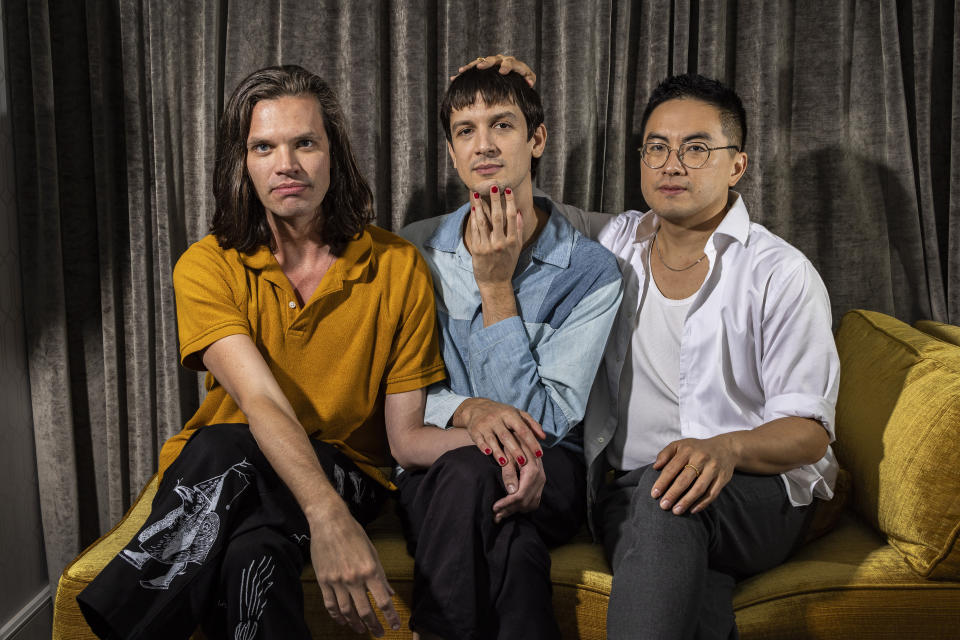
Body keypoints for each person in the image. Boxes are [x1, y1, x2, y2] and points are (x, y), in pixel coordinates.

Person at [76, 64, 472, 640]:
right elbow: (258, 399)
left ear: (333, 154)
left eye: (304, 142)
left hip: (347, 474)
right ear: (244, 163)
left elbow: (404, 437)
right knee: (249, 554)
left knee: (216, 446)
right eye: (264, 146)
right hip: (227, 476)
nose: (286, 164)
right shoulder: (207, 265)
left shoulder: (396, 266)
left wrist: (491, 432)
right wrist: (324, 516)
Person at [462, 56, 840, 639]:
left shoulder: (780, 273)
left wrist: (726, 448)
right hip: (630, 491)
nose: (672, 164)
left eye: (696, 149)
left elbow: (810, 429)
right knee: (681, 559)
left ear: (737, 164)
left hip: (756, 492)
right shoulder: (614, 245)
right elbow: (523, 197)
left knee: (665, 507)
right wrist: (507, 91)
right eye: (656, 148)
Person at [395, 65, 622, 640]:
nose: (485, 145)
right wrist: (469, 411)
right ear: (450, 151)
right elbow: (408, 399)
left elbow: (543, 425)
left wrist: (496, 289)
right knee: (513, 548)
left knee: (478, 470)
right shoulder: (415, 253)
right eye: (465, 130)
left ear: (537, 139)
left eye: (502, 124)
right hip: (442, 466)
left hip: (551, 470)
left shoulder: (592, 272)